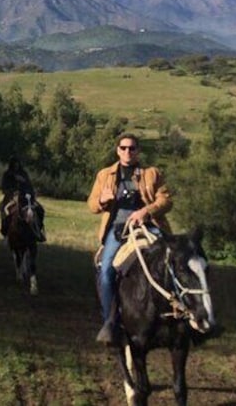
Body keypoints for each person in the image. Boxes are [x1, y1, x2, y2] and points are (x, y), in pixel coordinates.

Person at [87, 133, 172, 345]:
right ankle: (110, 323)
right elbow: (91, 205)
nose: (128, 152)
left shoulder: (152, 174)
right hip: (118, 230)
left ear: (137, 151)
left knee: (174, 261)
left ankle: (185, 315)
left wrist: (146, 211)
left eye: (132, 148)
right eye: (123, 148)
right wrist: (103, 200)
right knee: (106, 271)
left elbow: (166, 200)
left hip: (148, 227)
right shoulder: (105, 175)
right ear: (117, 150)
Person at [0, 156, 46, 242]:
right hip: (11, 197)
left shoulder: (23, 174)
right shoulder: (7, 174)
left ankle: (38, 230)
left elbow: (29, 186)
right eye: (14, 163)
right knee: (3, 207)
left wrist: (28, 191)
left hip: (25, 197)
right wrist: (12, 192)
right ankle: (5, 230)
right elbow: (4, 187)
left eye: (17, 163)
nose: (16, 165)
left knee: (40, 209)